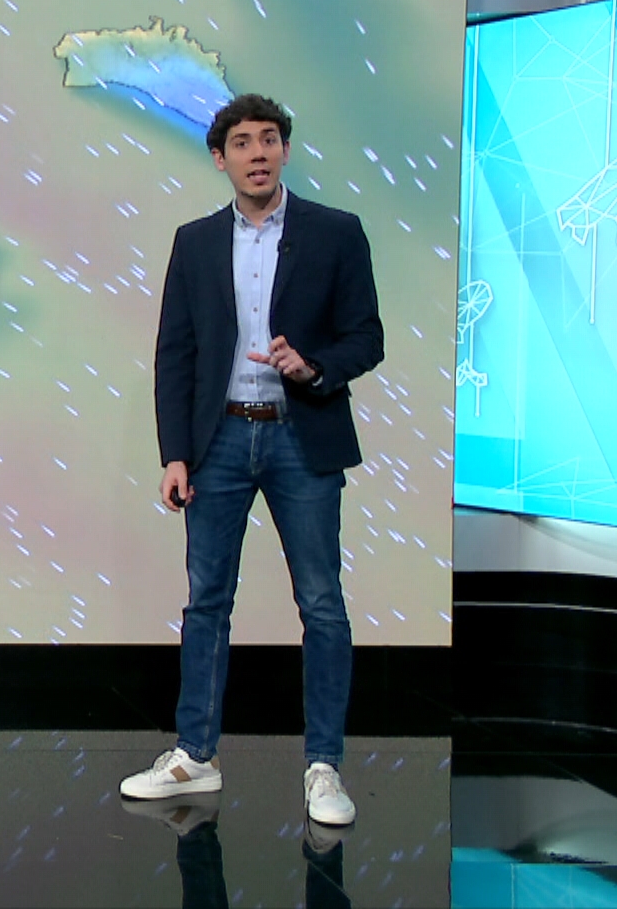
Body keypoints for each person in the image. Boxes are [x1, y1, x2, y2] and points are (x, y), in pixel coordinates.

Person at [119, 94, 383, 827]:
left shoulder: (336, 232)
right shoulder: (196, 242)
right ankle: (195, 755)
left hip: (303, 435)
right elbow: (176, 354)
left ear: (285, 151)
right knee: (207, 599)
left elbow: (367, 336)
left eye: (269, 139)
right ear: (220, 158)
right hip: (221, 442)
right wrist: (176, 454)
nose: (257, 153)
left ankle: (323, 766)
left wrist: (314, 366)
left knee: (321, 602)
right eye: (242, 142)